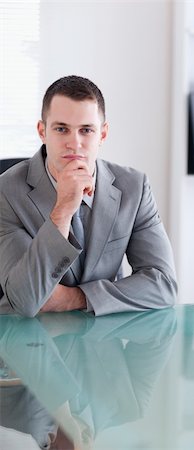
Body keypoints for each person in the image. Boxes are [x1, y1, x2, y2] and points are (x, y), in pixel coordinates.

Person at [0, 75, 177, 317]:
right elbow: (26, 301)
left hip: (103, 341)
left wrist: (76, 298)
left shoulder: (134, 187)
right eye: (62, 129)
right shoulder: (7, 192)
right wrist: (62, 211)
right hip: (30, 343)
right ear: (42, 131)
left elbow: (163, 285)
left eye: (86, 130)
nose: (74, 144)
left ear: (102, 135)